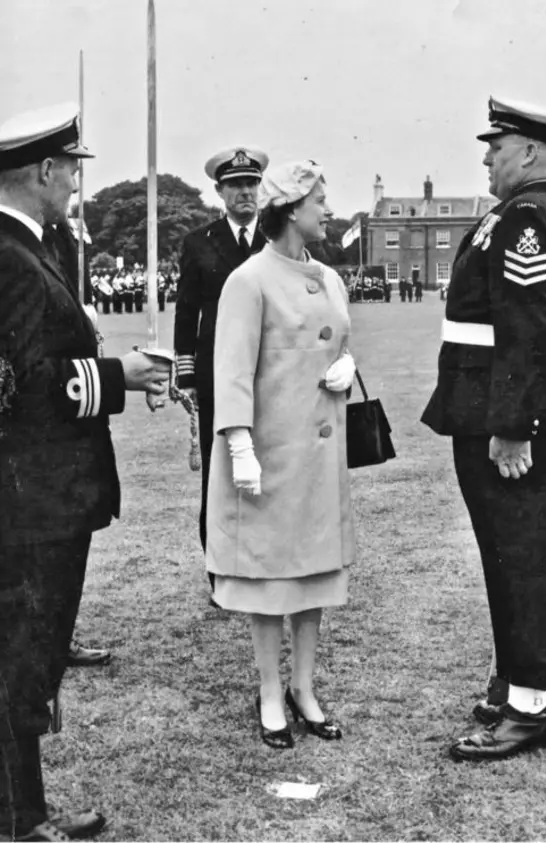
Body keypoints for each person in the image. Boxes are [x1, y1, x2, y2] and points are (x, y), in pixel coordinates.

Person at [0, 102, 171, 841]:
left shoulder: (29, 247)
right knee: (21, 664)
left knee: (26, 661)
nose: (76, 181)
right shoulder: (10, 257)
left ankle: (24, 810)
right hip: (32, 498)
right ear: (44, 170)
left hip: (39, 494)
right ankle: (20, 820)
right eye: (72, 168)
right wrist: (120, 374)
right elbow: (28, 384)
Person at [422, 96, 546, 760]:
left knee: (522, 559)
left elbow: (524, 327)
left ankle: (531, 705)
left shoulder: (527, 218)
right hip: (484, 407)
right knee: (510, 556)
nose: (487, 156)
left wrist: (513, 425)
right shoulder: (519, 213)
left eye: (497, 145)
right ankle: (520, 683)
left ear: (531, 153)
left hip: (508, 420)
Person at [206, 160, 356, 750]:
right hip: (268, 455)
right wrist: (239, 446)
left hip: (319, 457)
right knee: (269, 580)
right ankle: (271, 693)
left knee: (315, 577)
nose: (327, 209)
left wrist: (349, 366)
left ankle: (304, 689)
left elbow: (339, 342)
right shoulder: (248, 280)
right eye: (320, 199)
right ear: (292, 209)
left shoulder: (332, 277)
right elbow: (232, 372)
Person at [173, 146, 268, 603]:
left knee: (270, 470)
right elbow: (186, 311)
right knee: (220, 476)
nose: (245, 192)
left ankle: (265, 568)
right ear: (220, 192)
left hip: (271, 373)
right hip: (217, 378)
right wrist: (186, 373)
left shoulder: (277, 235)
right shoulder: (198, 242)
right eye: (235, 185)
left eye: (251, 184)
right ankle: (221, 576)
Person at [41, 217, 113, 669]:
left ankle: (59, 634)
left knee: (73, 535)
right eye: (68, 167)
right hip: (42, 417)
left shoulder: (62, 234)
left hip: (76, 420)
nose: (73, 181)